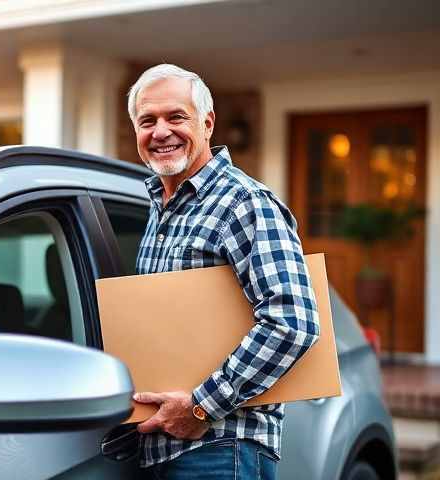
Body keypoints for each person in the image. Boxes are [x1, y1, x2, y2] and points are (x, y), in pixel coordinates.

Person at [127, 64, 320, 480]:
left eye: (176, 117)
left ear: (207, 123)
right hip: (158, 448)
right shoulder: (159, 208)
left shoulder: (244, 201)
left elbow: (293, 322)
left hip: (220, 446)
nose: (161, 131)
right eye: (148, 121)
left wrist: (201, 407)